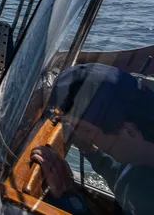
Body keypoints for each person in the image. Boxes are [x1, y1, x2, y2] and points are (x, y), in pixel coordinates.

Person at [31, 63, 154, 214]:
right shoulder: (142, 156)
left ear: (130, 131)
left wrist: (67, 199)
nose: (83, 135)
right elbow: (126, 180)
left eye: (87, 130)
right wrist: (89, 150)